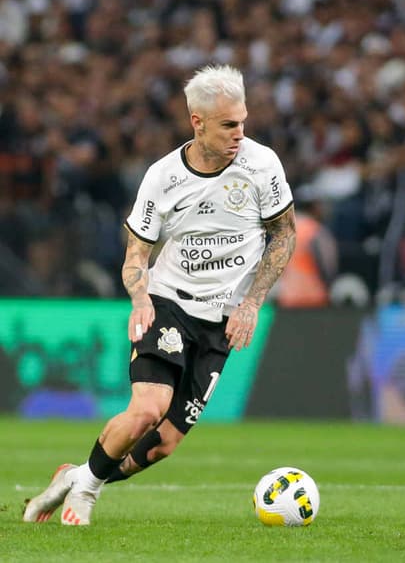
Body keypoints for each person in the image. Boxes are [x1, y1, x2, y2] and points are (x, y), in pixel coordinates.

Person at [23, 65, 297, 526]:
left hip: (222, 320)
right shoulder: (163, 177)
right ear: (198, 121)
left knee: (164, 443)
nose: (240, 134)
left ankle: (77, 474)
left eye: (243, 122)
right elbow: (136, 255)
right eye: (229, 124)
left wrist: (251, 302)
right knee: (148, 409)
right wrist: (141, 298)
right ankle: (86, 493)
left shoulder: (262, 165)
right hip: (169, 302)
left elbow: (283, 235)